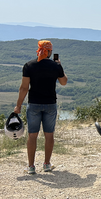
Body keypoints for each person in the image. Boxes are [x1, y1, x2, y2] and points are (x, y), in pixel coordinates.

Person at [14, 40, 68, 174]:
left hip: (34, 104)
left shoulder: (29, 65)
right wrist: (60, 66)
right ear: (49, 51)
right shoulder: (55, 66)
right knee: (49, 135)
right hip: (50, 104)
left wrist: (18, 106)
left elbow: (24, 88)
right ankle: (47, 164)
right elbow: (63, 82)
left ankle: (31, 167)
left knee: (32, 135)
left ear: (39, 50)